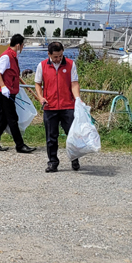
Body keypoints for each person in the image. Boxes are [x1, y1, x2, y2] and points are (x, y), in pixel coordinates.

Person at [34, 42, 81, 173]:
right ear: (49, 54)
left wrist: (77, 99)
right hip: (50, 106)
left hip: (67, 106)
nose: (58, 59)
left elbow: (74, 84)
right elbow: (37, 84)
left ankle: (75, 159)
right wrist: (40, 97)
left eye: (60, 56)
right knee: (51, 137)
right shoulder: (41, 66)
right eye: (55, 56)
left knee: (72, 135)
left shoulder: (71, 64)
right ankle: (53, 162)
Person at [0, 34, 37, 153]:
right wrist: (4, 87)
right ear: (18, 45)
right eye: (23, 45)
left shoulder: (12, 56)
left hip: (9, 92)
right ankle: (20, 145)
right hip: (4, 93)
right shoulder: (6, 57)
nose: (23, 47)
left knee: (3, 119)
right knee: (12, 118)